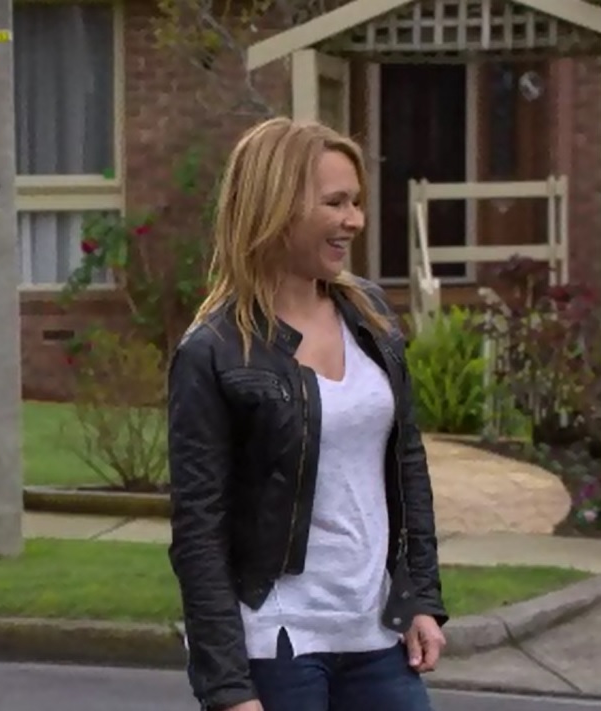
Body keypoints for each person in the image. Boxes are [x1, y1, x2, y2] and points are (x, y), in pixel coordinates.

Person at [165, 117, 449, 711]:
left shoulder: (370, 316)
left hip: (376, 631)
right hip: (277, 641)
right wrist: (228, 688)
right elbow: (199, 530)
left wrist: (420, 595)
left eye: (356, 202)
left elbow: (407, 464)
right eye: (335, 203)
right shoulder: (214, 351)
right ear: (277, 208)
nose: (355, 220)